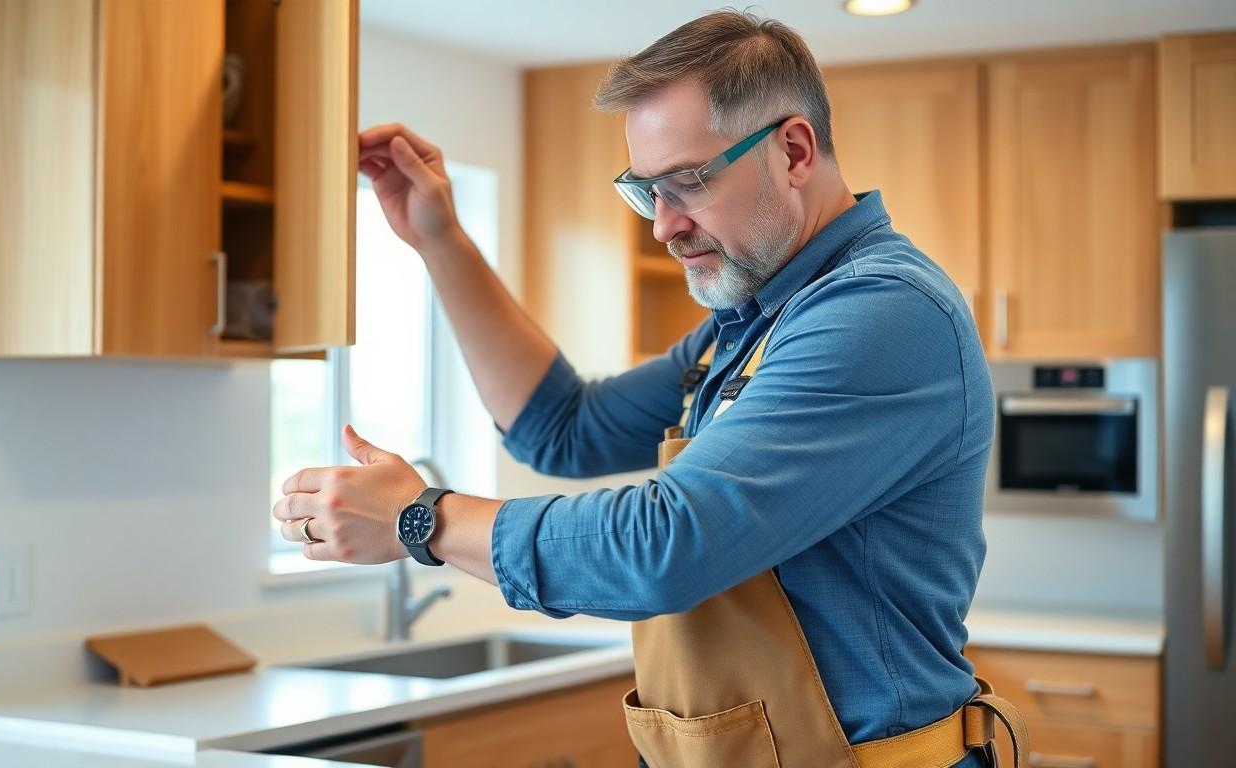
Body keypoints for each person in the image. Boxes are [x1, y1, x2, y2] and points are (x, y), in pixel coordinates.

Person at [272, 10, 1026, 768]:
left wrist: (422, 519)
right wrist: (440, 239)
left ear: (793, 150)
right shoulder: (754, 322)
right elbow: (562, 428)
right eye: (646, 190)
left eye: (689, 182)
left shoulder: (881, 313)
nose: (663, 226)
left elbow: (667, 546)